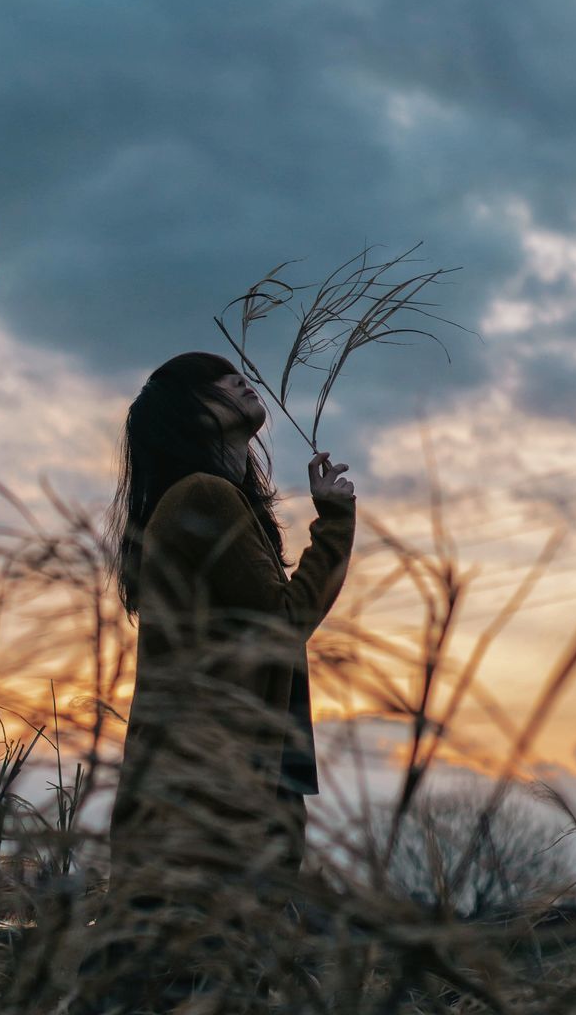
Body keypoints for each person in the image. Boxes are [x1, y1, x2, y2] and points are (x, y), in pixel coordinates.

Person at [72, 351, 356, 1011]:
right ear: (190, 412)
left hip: (215, 793)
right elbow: (283, 623)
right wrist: (335, 524)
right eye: (217, 380)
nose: (240, 379)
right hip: (209, 802)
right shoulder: (201, 497)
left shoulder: (217, 502)